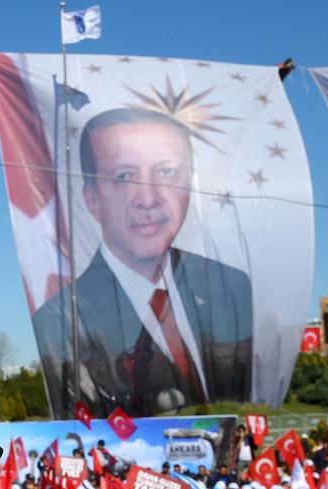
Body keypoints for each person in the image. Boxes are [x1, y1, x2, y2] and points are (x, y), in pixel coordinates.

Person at [32, 107, 253, 418]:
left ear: (189, 185)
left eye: (166, 172)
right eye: (124, 176)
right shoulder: (62, 319)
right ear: (92, 199)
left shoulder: (229, 285)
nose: (148, 198)